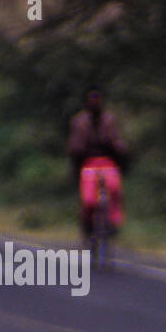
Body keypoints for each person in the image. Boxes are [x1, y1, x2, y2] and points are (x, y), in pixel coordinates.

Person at [67, 86, 129, 236]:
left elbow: (116, 140)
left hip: (107, 161)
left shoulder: (109, 120)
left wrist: (121, 149)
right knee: (89, 199)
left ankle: (113, 221)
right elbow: (74, 146)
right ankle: (87, 223)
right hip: (88, 163)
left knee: (114, 187)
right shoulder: (80, 121)